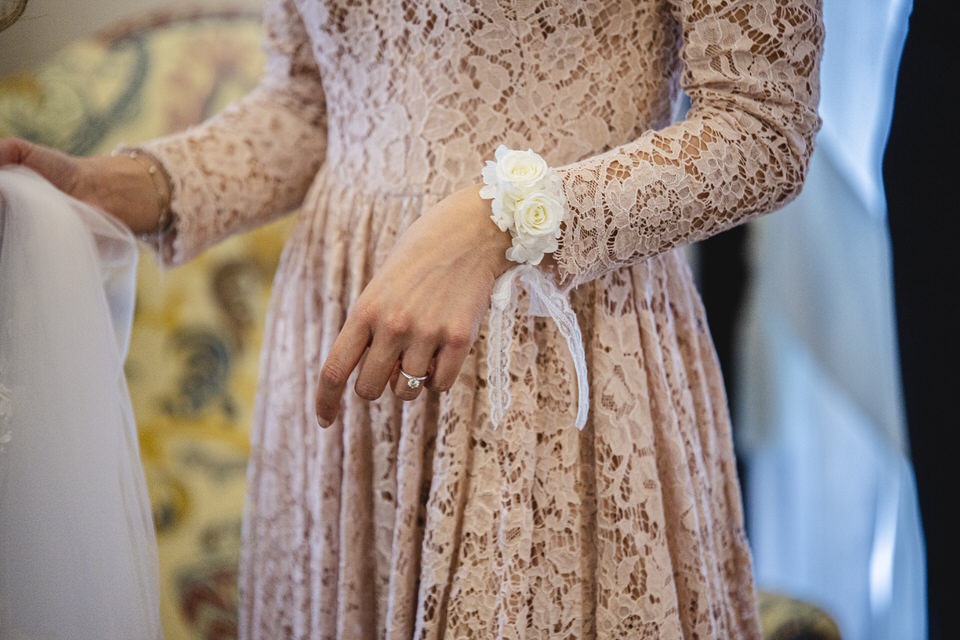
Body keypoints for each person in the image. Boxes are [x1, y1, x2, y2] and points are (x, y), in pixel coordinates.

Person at [0, 0, 823, 637]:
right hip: (344, 366)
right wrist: (133, 184)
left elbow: (761, 124)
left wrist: (508, 219)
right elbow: (311, 108)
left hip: (543, 355)